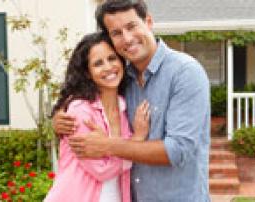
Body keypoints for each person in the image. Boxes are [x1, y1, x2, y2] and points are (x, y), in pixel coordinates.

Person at [53, 0, 211, 201]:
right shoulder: (122, 80)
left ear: (149, 22)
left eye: (131, 26)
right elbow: (87, 103)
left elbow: (177, 150)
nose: (127, 38)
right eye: (116, 33)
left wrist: (108, 145)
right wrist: (61, 119)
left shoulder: (185, 73)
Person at [44, 32, 150, 202]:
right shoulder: (80, 110)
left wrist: (121, 148)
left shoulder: (125, 106)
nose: (108, 67)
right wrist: (136, 141)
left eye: (112, 58)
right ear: (87, 73)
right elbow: (101, 170)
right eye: (98, 63)